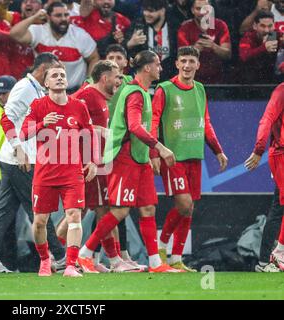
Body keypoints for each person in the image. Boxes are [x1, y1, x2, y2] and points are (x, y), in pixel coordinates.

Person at [78, 50, 180, 273]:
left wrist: (151, 154)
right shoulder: (134, 93)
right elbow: (134, 126)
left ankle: (155, 263)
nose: (160, 69)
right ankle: (85, 253)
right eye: (157, 65)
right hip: (125, 156)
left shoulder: (142, 92)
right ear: (147, 68)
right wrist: (160, 148)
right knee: (120, 210)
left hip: (139, 156)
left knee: (147, 209)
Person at [0, 53, 66, 273]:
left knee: (5, 211)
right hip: (19, 160)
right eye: (54, 71)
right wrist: (19, 149)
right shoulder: (24, 88)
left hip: (16, 159)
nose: (56, 76)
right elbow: (6, 118)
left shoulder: (36, 88)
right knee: (39, 209)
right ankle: (60, 256)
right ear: (44, 69)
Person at [151, 46, 228, 272]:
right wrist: (154, 152)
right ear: (176, 64)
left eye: (191, 61)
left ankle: (176, 258)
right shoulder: (164, 89)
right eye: (183, 61)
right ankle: (162, 244)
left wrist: (217, 150)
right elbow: (153, 122)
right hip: (173, 157)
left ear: (198, 65)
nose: (187, 65)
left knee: (189, 208)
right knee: (183, 203)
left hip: (195, 155)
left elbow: (206, 122)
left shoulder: (201, 89)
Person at [20, 63, 98, 277]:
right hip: (45, 173)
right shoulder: (37, 106)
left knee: (74, 216)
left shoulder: (79, 106)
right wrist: (42, 123)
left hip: (72, 172)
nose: (60, 78)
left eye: (63, 75)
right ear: (46, 83)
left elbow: (89, 135)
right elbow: (23, 133)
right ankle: (45, 260)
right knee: (39, 223)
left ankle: (70, 265)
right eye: (54, 75)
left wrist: (92, 161)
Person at [10, 1, 99, 91]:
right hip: (45, 91)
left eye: (66, 15)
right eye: (58, 16)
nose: (64, 19)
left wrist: (88, 83)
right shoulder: (39, 31)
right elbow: (15, 34)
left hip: (73, 91)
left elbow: (94, 58)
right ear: (48, 17)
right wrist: (33, 18)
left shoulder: (79, 35)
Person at [245, 82, 284, 271]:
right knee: (280, 207)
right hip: (281, 154)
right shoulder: (281, 91)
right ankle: (275, 256)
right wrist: (259, 149)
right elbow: (267, 118)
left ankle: (266, 260)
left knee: (278, 207)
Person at [177, 0, 232, 84]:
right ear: (192, 10)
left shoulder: (220, 25)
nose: (202, 13)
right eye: (198, 9)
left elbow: (227, 54)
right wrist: (195, 49)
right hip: (192, 80)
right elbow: (180, 56)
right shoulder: (185, 28)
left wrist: (213, 46)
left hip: (217, 80)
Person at [124, 0, 179, 81]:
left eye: (151, 11)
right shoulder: (138, 25)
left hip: (169, 76)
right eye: (145, 10)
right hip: (145, 77)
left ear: (162, 10)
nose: (146, 14)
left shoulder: (174, 26)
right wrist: (129, 44)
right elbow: (122, 49)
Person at [238, 10, 282, 84]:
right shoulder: (248, 36)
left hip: (270, 78)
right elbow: (244, 56)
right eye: (262, 26)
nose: (267, 30)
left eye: (270, 26)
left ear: (274, 25)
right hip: (248, 80)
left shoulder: (276, 35)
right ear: (255, 26)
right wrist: (263, 48)